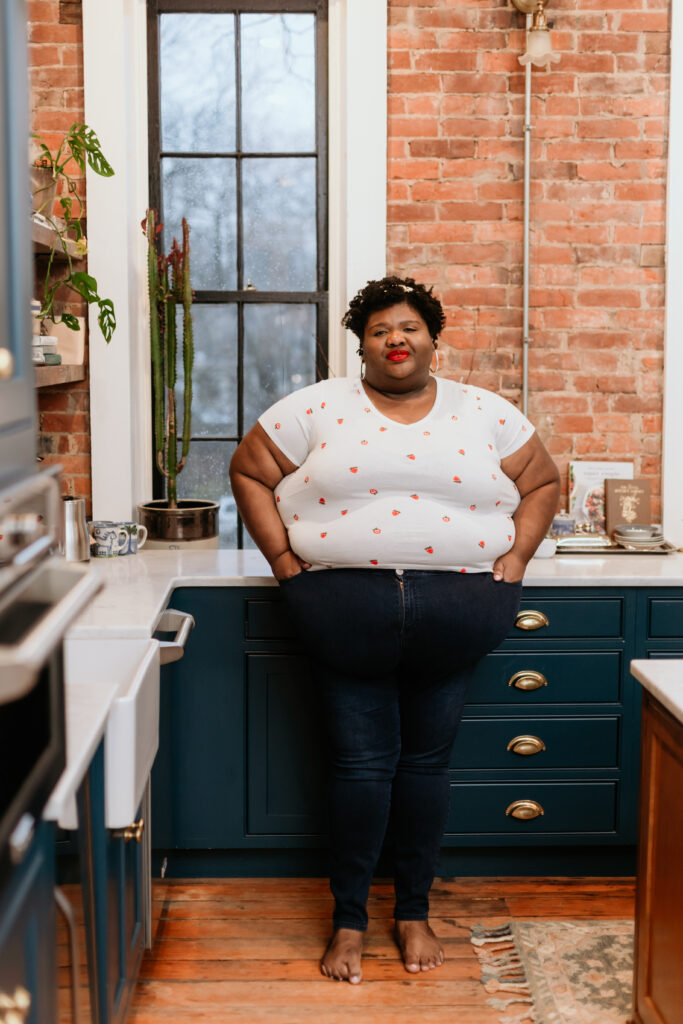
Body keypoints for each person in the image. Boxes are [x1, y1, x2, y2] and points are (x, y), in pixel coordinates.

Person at [229, 276, 560, 985]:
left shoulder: (483, 412)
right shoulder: (316, 407)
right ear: (362, 344)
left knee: (424, 770)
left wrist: (517, 555)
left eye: (408, 327)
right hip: (343, 615)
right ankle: (349, 919)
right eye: (380, 330)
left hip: (458, 614)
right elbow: (249, 471)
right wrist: (285, 562)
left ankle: (412, 911)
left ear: (433, 338)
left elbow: (541, 481)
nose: (395, 340)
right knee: (359, 769)